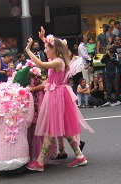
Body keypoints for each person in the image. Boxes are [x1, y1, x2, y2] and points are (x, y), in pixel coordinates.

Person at [25, 28, 94, 171]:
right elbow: (53, 48)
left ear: (54, 49)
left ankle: (40, 162)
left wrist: (28, 50)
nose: (45, 50)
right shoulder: (58, 60)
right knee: (63, 129)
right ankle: (79, 156)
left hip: (56, 96)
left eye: (46, 48)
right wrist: (44, 38)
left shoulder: (58, 62)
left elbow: (40, 65)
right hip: (57, 95)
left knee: (52, 128)